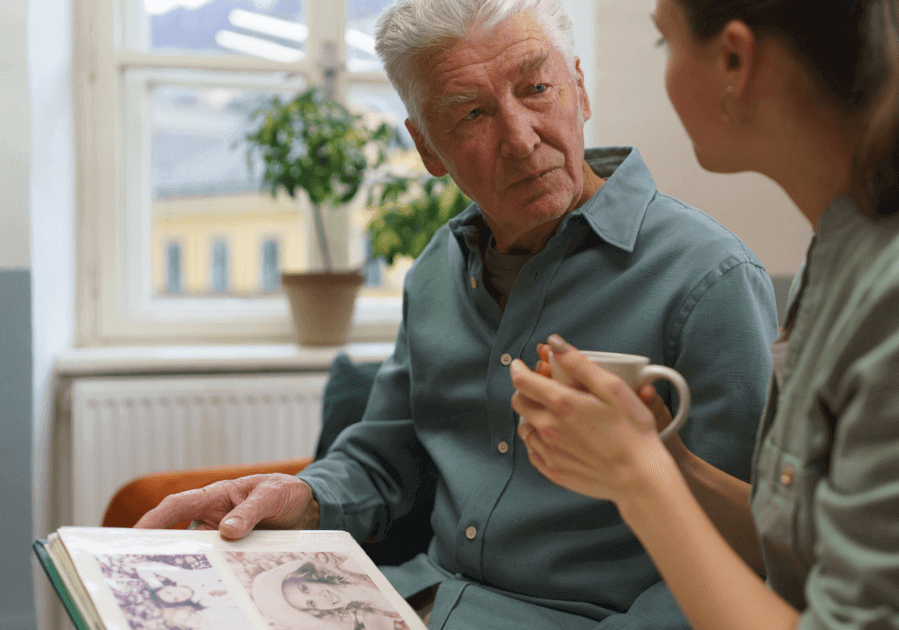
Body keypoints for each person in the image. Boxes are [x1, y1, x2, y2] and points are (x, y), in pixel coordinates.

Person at [510, 1, 899, 629]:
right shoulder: (853, 247)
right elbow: (810, 542)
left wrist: (638, 480)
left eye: (666, 42)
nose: (667, 71)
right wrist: (664, 458)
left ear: (735, 59)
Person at [134, 0, 779, 628]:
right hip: (403, 603)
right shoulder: (437, 268)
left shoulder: (708, 279)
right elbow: (389, 459)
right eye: (472, 113)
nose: (522, 140)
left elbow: (748, 555)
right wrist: (303, 497)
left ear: (579, 89)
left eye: (536, 88)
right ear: (426, 147)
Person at [251, 559, 404, 630]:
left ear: (310, 577)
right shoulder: (371, 622)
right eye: (311, 603)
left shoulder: (354, 566)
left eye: (305, 588)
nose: (320, 598)